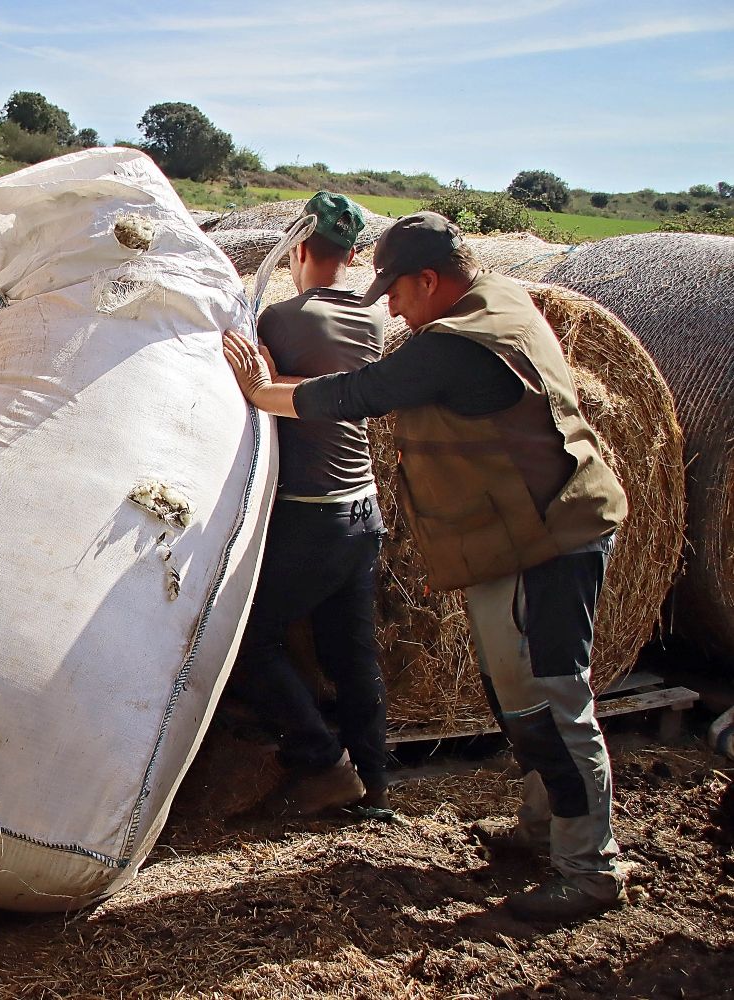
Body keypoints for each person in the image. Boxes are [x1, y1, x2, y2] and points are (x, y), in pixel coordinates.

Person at [223, 211, 629, 924]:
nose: (391, 308)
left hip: (546, 542)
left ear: (431, 280)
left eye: (398, 293)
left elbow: (358, 395)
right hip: (538, 529)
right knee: (519, 698)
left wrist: (263, 393)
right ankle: (543, 829)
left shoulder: (457, 344)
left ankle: (589, 867)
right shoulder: (502, 299)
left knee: (550, 703)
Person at [223, 191, 390, 817]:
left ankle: (321, 761)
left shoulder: (282, 322)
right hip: (364, 510)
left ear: (298, 249)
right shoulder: (376, 323)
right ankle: (375, 786)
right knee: (352, 653)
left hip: (311, 513)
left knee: (249, 642)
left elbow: (257, 390)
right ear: (352, 256)